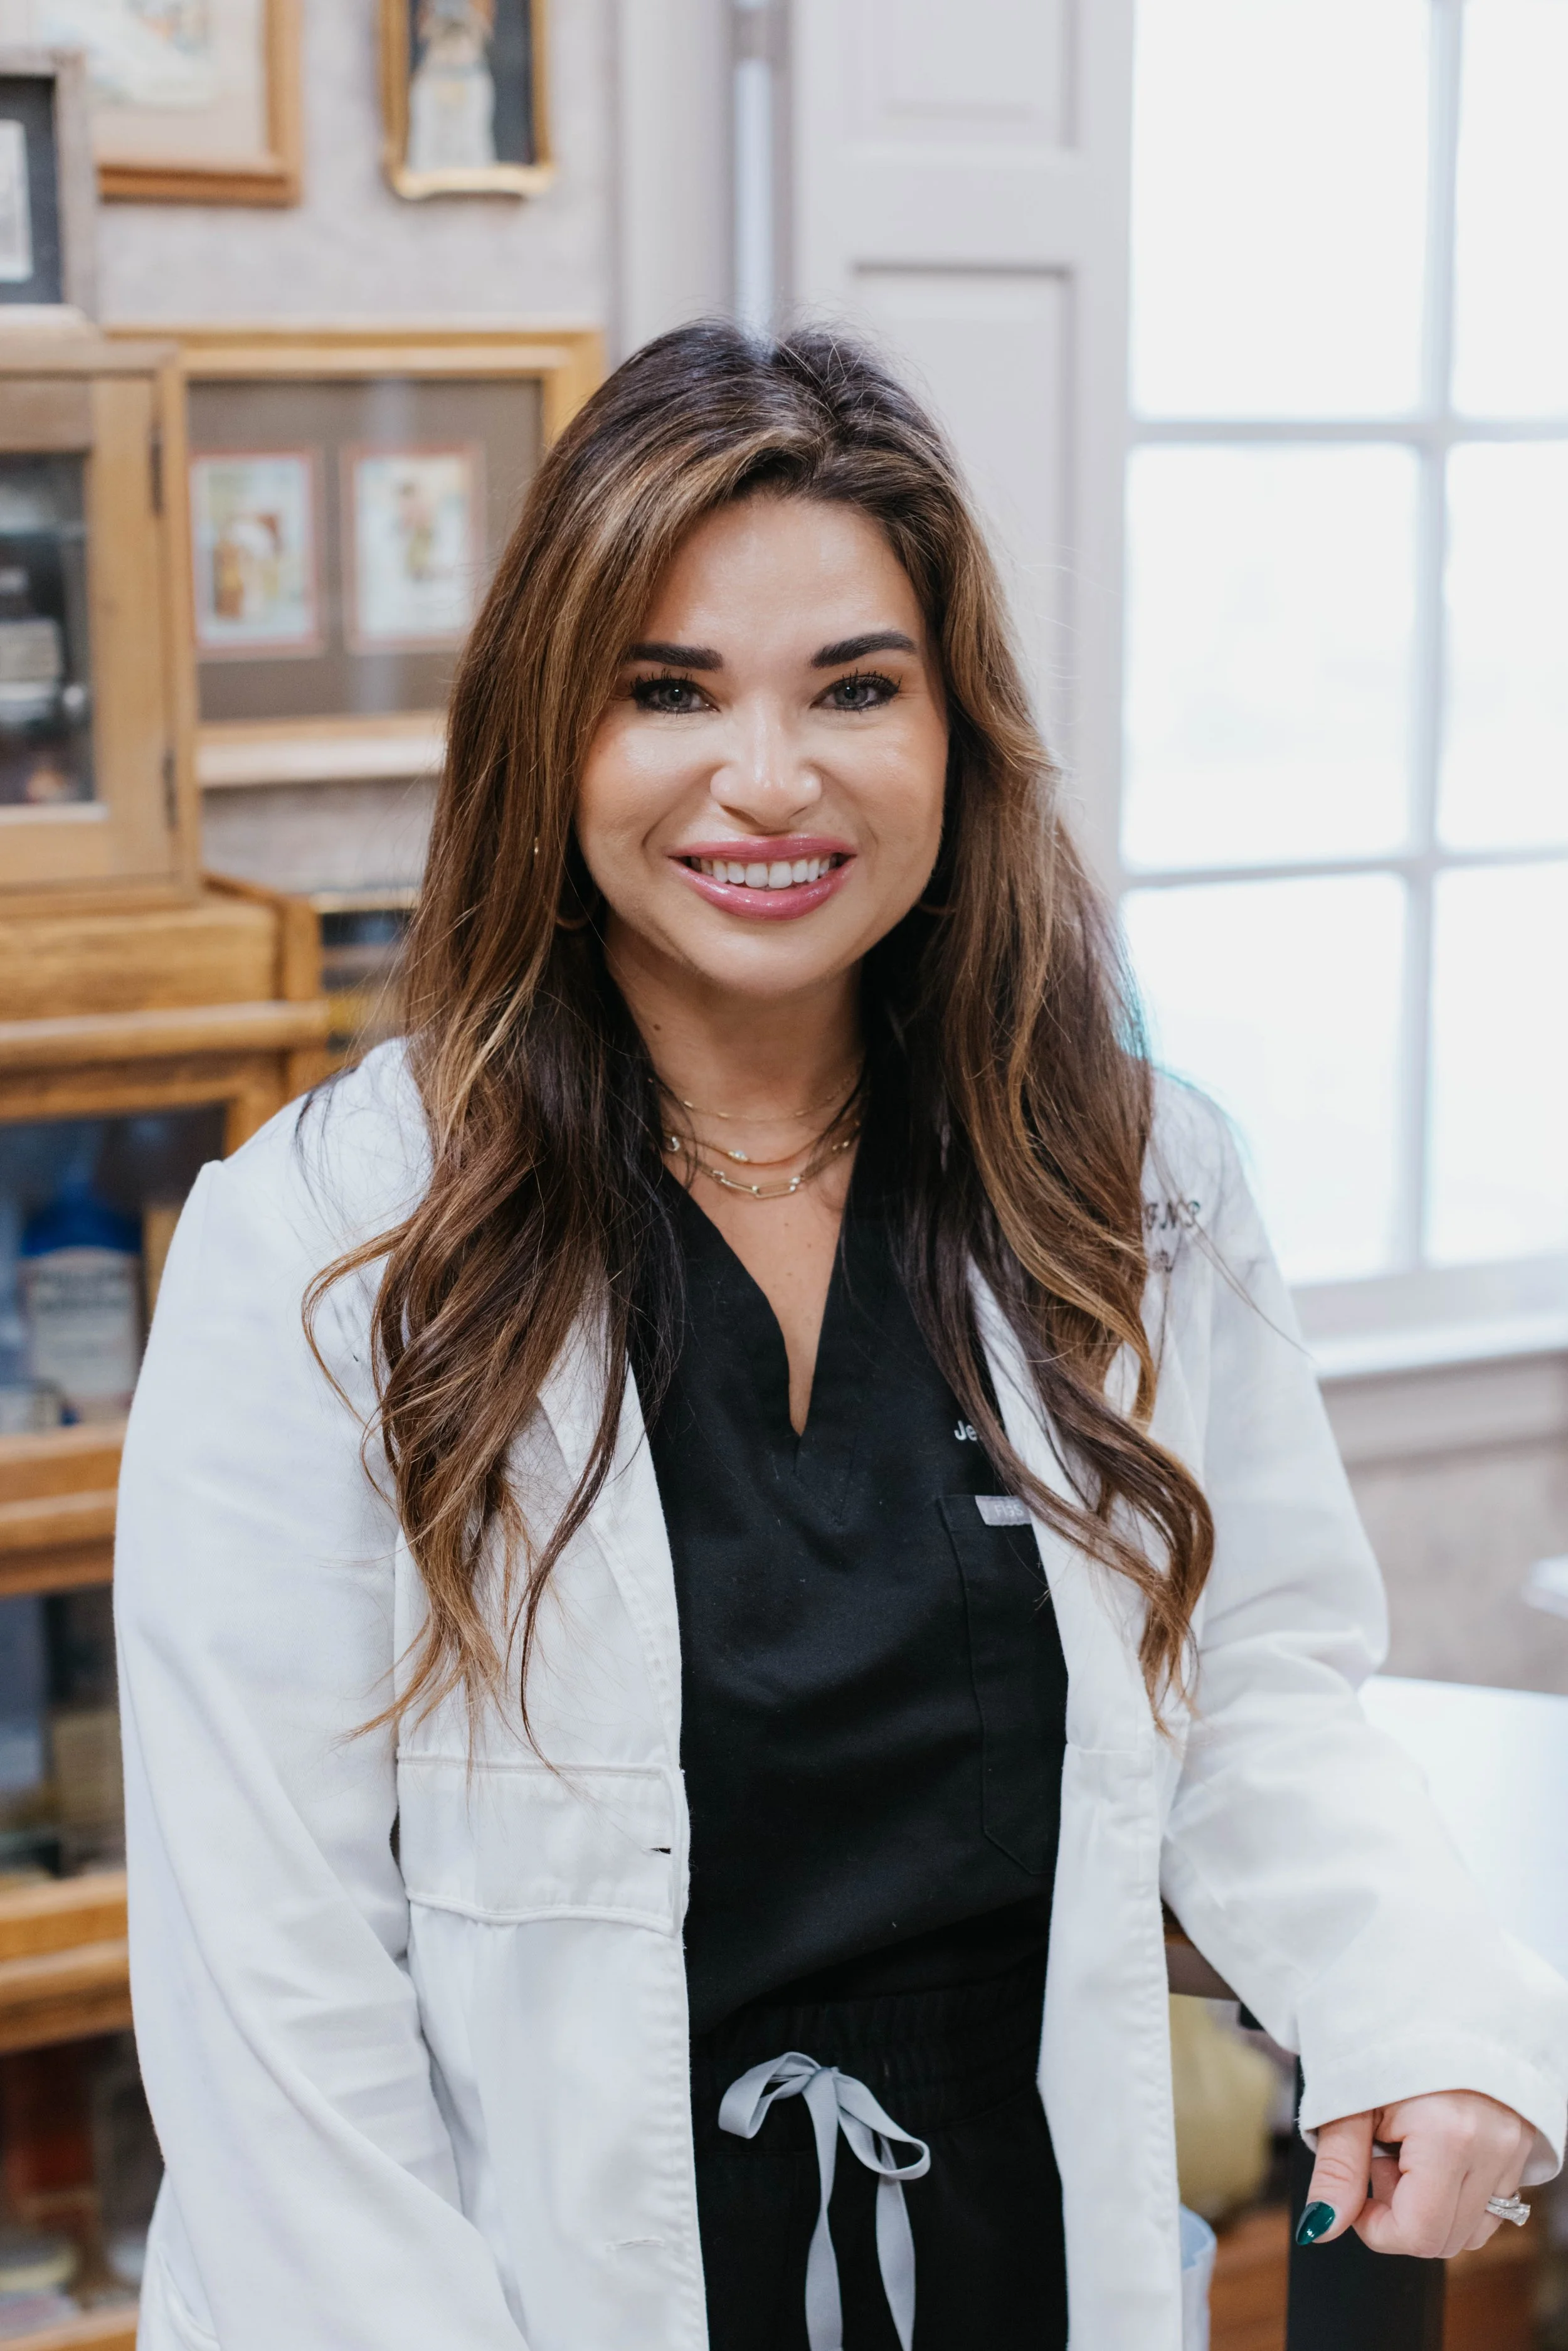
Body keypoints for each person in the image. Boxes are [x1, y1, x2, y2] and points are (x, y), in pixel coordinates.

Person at [117, 324, 1565, 2351]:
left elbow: (1252, 1684)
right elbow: (272, 1978)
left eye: (855, 689)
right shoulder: (332, 1239)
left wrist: (1415, 1997)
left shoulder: (1131, 1182)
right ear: (552, 732)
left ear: (955, 727)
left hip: (1008, 2249)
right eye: (669, 691)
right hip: (523, 2290)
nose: (769, 778)